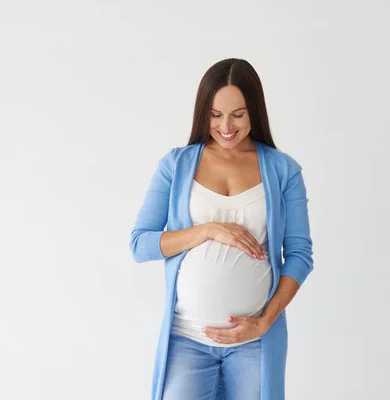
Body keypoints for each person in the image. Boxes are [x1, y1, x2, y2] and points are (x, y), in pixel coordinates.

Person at [129, 58, 314, 400]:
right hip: (187, 338)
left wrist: (264, 323)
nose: (226, 126)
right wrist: (208, 230)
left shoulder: (283, 170)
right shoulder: (176, 165)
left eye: (238, 114)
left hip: (254, 343)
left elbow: (300, 257)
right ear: (203, 113)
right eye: (215, 115)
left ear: (254, 111)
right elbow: (141, 244)